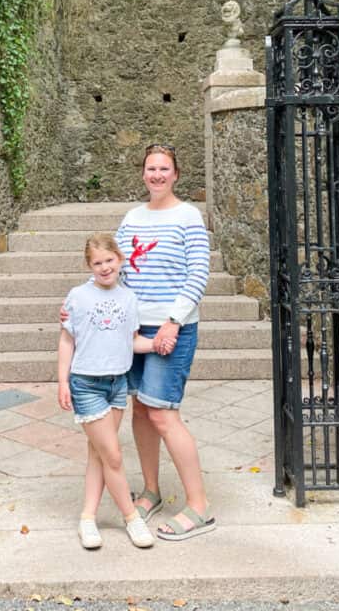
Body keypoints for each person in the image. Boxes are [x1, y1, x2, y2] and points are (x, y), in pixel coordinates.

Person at [116, 142, 215, 541]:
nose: (156, 174)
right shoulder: (132, 218)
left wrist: (174, 321)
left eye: (164, 168)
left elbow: (197, 274)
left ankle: (199, 507)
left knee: (163, 414)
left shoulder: (188, 216)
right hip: (133, 331)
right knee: (140, 410)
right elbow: (117, 271)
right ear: (143, 173)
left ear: (176, 174)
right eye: (150, 168)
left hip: (171, 330)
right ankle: (151, 490)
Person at [57, 232, 173, 550]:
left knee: (99, 454)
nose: (105, 267)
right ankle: (131, 517)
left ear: (120, 260)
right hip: (86, 383)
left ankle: (87, 518)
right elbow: (67, 340)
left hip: (117, 383)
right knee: (115, 456)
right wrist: (63, 381)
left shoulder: (128, 298)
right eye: (98, 263)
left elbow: (132, 341)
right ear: (89, 266)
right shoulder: (77, 297)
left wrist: (156, 345)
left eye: (109, 260)